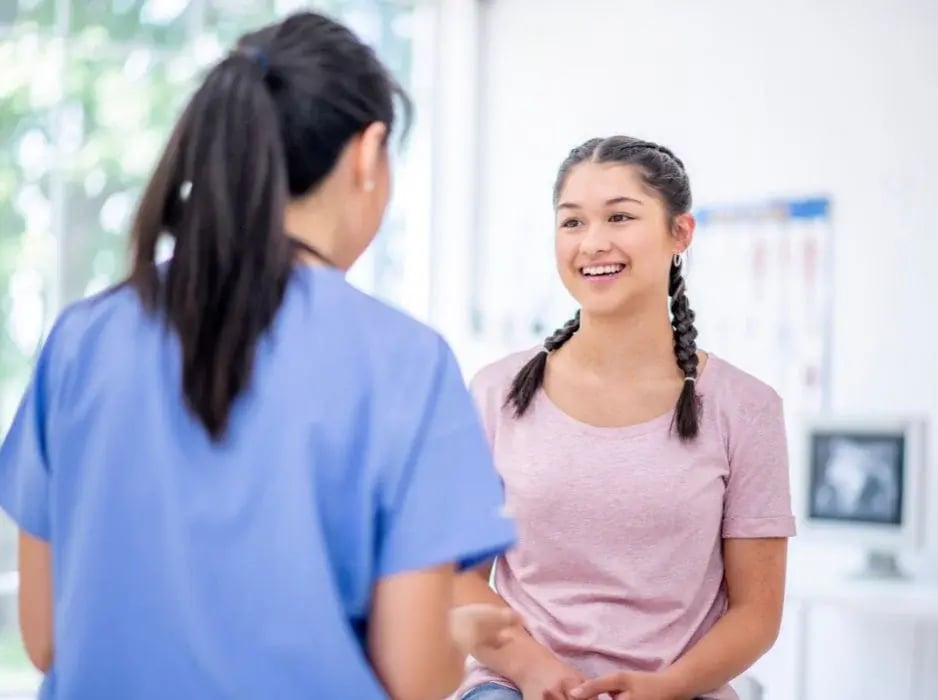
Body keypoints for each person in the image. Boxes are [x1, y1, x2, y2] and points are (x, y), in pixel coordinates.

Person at [0, 12, 519, 700]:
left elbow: (46, 636)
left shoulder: (83, 340)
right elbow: (414, 678)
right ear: (368, 154)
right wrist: (448, 635)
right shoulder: (403, 363)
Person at [454, 136, 796, 700]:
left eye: (620, 217)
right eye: (572, 223)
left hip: (678, 689)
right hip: (516, 685)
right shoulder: (496, 392)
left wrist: (666, 687)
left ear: (680, 233)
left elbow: (757, 612)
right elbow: (460, 577)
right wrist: (542, 674)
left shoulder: (747, 407)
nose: (593, 243)